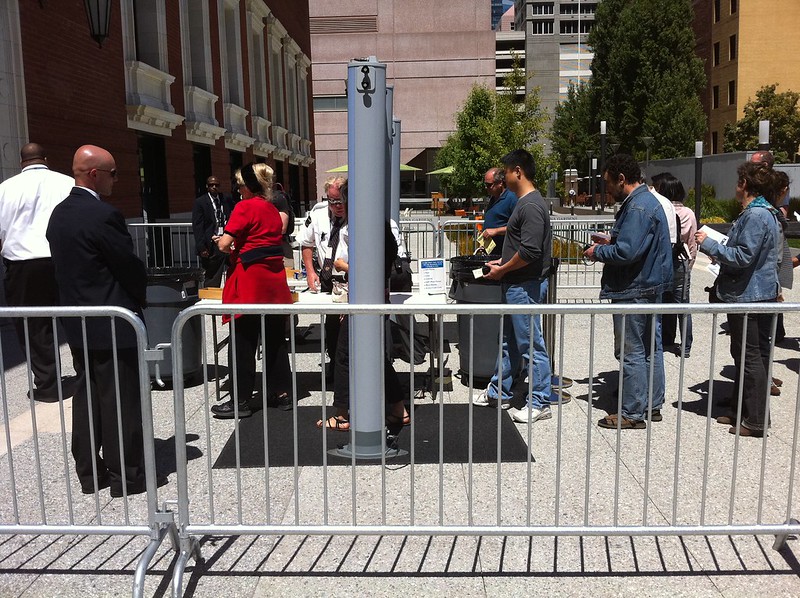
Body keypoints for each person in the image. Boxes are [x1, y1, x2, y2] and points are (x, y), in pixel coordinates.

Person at [46, 145, 149, 496]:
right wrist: (140, 297)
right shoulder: (102, 214)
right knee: (120, 401)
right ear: (94, 174)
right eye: (113, 173)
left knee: (87, 395)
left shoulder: (59, 213)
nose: (116, 180)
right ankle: (126, 476)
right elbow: (127, 265)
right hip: (111, 321)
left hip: (78, 322)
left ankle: (90, 474)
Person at [584, 154, 672, 430]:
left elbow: (627, 252)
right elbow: (634, 244)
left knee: (632, 351)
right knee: (650, 348)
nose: (607, 189)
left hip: (633, 288)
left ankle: (632, 412)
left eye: (608, 182)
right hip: (647, 286)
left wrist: (598, 251)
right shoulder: (646, 203)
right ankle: (651, 403)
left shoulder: (638, 207)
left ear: (621, 179)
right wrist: (613, 240)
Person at [316, 183, 408, 437]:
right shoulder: (378, 223)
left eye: (342, 200)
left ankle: (343, 414)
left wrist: (345, 267)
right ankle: (399, 409)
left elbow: (365, 268)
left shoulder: (365, 226)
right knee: (375, 354)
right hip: (374, 295)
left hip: (365, 297)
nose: (339, 206)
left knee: (345, 354)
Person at [696, 162, 780, 438]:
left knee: (751, 357)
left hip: (750, 297)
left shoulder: (756, 215)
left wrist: (709, 244)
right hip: (755, 293)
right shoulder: (765, 214)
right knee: (749, 355)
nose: (735, 186)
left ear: (745, 184)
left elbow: (743, 256)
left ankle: (754, 421)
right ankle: (741, 410)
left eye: (738, 181)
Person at [474, 149, 553, 424]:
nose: (503, 177)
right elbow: (522, 246)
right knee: (509, 342)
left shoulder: (530, 205)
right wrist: (502, 261)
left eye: (506, 172)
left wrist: (503, 269)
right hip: (516, 284)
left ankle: (541, 400)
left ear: (517, 171)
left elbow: (530, 251)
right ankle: (499, 391)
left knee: (531, 344)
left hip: (524, 286)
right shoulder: (525, 202)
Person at [209, 164, 293, 418]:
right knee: (275, 340)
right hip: (274, 281)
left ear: (250, 186)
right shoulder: (271, 208)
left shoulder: (243, 207)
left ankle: (241, 400)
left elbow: (225, 244)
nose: (238, 188)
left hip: (249, 281)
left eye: (240, 184)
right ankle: (283, 394)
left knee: (243, 342)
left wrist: (224, 244)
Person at [0, 142, 76, 402]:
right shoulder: (66, 183)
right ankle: (87, 374)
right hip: (63, 258)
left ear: (22, 162)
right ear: (45, 158)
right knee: (76, 317)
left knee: (33, 325)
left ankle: (48, 385)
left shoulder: (4, 189)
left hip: (23, 265)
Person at [300, 176, 348, 375]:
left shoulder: (360, 215)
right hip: (329, 281)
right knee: (332, 327)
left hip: (350, 280)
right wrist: (311, 271)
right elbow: (306, 243)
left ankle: (347, 367)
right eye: (332, 200)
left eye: (340, 200)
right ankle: (335, 365)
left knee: (349, 328)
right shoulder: (318, 214)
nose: (337, 205)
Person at [652, 172, 697, 358]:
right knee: (683, 306)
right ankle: (685, 346)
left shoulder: (661, 210)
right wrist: (690, 265)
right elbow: (693, 244)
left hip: (661, 262)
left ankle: (664, 340)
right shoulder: (688, 213)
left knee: (662, 302)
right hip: (680, 262)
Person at [192, 175, 234, 287]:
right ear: (207, 186)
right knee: (212, 275)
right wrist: (202, 247)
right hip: (211, 244)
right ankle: (209, 299)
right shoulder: (200, 202)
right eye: (211, 185)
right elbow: (198, 226)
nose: (214, 187)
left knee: (236, 268)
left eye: (216, 185)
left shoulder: (226, 199)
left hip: (226, 240)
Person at [481, 167, 518, 256]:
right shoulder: (493, 198)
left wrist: (496, 231)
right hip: (492, 252)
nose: (487, 188)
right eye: (485, 184)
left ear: (500, 183)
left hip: (505, 254)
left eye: (489, 185)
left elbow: (518, 227)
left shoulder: (512, 198)